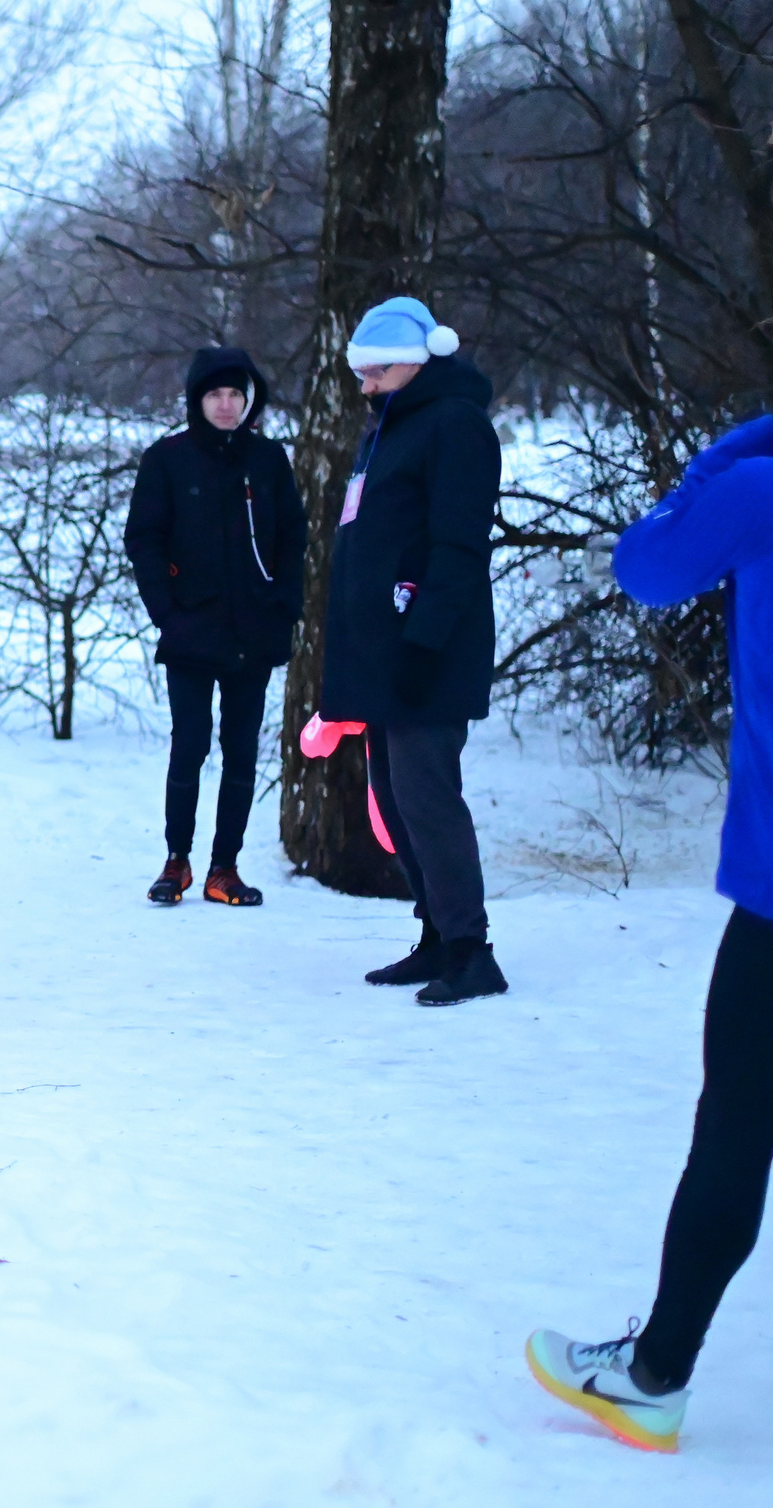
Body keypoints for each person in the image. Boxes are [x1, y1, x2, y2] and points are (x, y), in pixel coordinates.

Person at [526, 287, 773, 1460]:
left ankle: (653, 1377)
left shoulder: (769, 488)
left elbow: (642, 564)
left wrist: (749, 437)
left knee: (733, 1123)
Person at [318, 296, 505, 1007]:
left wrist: (425, 641)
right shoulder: (389, 428)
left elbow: (459, 546)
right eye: (359, 373)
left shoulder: (455, 426)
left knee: (428, 801)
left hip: (428, 649)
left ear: (419, 361)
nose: (363, 386)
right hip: (382, 652)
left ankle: (470, 950)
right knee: (395, 803)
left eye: (375, 371)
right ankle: (435, 935)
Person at [124, 347, 305, 907]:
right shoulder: (167, 460)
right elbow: (143, 540)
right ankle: (176, 859)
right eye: (214, 394)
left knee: (242, 751)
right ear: (196, 400)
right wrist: (167, 613)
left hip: (255, 632)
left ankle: (224, 867)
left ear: (248, 400)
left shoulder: (269, 459)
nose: (225, 405)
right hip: (190, 631)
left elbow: (293, 541)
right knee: (190, 746)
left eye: (235, 395)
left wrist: (283, 609)